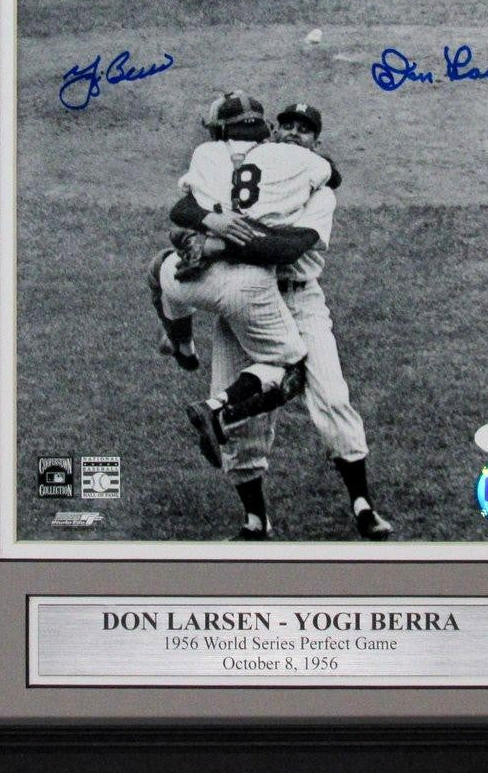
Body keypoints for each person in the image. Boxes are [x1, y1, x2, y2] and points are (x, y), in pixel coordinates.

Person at [170, 100, 393, 542]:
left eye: (304, 129)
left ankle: (363, 506)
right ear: (273, 134)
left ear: (316, 143)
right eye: (286, 125)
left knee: (333, 398)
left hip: (299, 300)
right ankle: (255, 521)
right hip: (246, 301)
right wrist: (208, 224)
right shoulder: (250, 179)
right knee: (237, 420)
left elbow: (290, 247)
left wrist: (218, 244)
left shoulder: (319, 193)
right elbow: (184, 213)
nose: (293, 133)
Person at [148, 93, 331, 495]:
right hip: (248, 286)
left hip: (191, 280)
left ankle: (181, 344)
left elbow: (181, 211)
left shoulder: (205, 154)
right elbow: (328, 179)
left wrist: (210, 227)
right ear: (266, 127)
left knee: (160, 268)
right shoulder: (293, 159)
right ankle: (217, 409)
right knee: (290, 369)